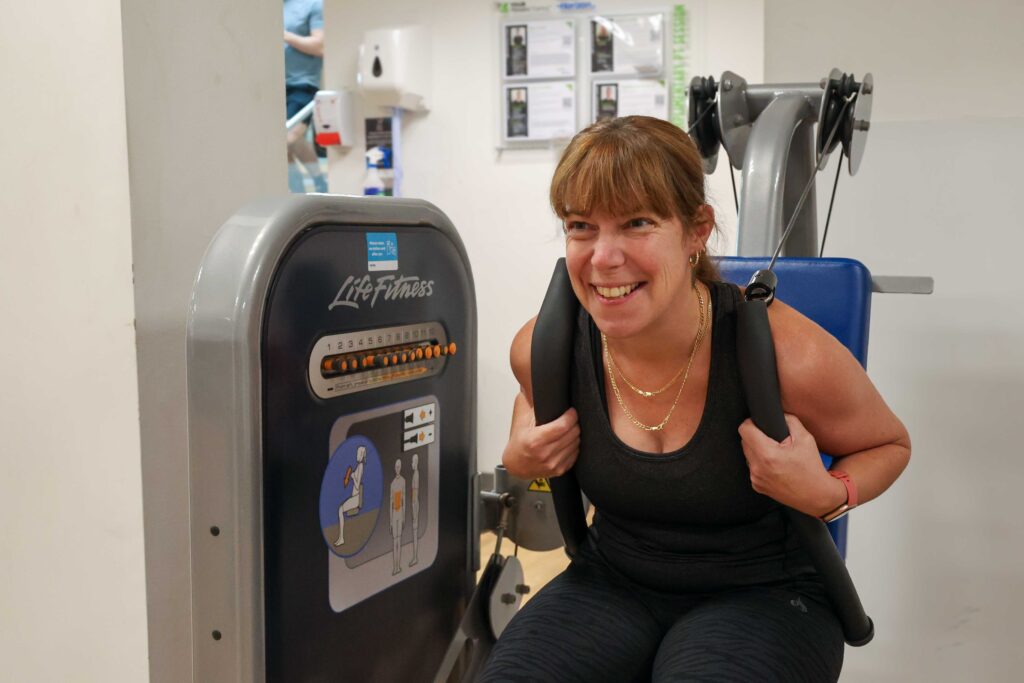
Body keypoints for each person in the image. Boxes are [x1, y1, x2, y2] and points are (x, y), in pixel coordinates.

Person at [480, 116, 911, 682]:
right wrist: (521, 457)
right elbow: (526, 425)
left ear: (696, 230)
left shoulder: (786, 351)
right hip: (612, 581)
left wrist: (830, 493)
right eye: (582, 226)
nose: (604, 257)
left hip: (767, 592)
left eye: (637, 223)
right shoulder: (545, 348)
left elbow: (890, 444)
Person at [283, 0, 328, 193]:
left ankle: (315, 185)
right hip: (276, 86)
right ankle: (304, 189)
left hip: (303, 84)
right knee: (285, 145)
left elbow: (320, 46)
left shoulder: (312, 4)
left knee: (288, 139)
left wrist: (285, 36)